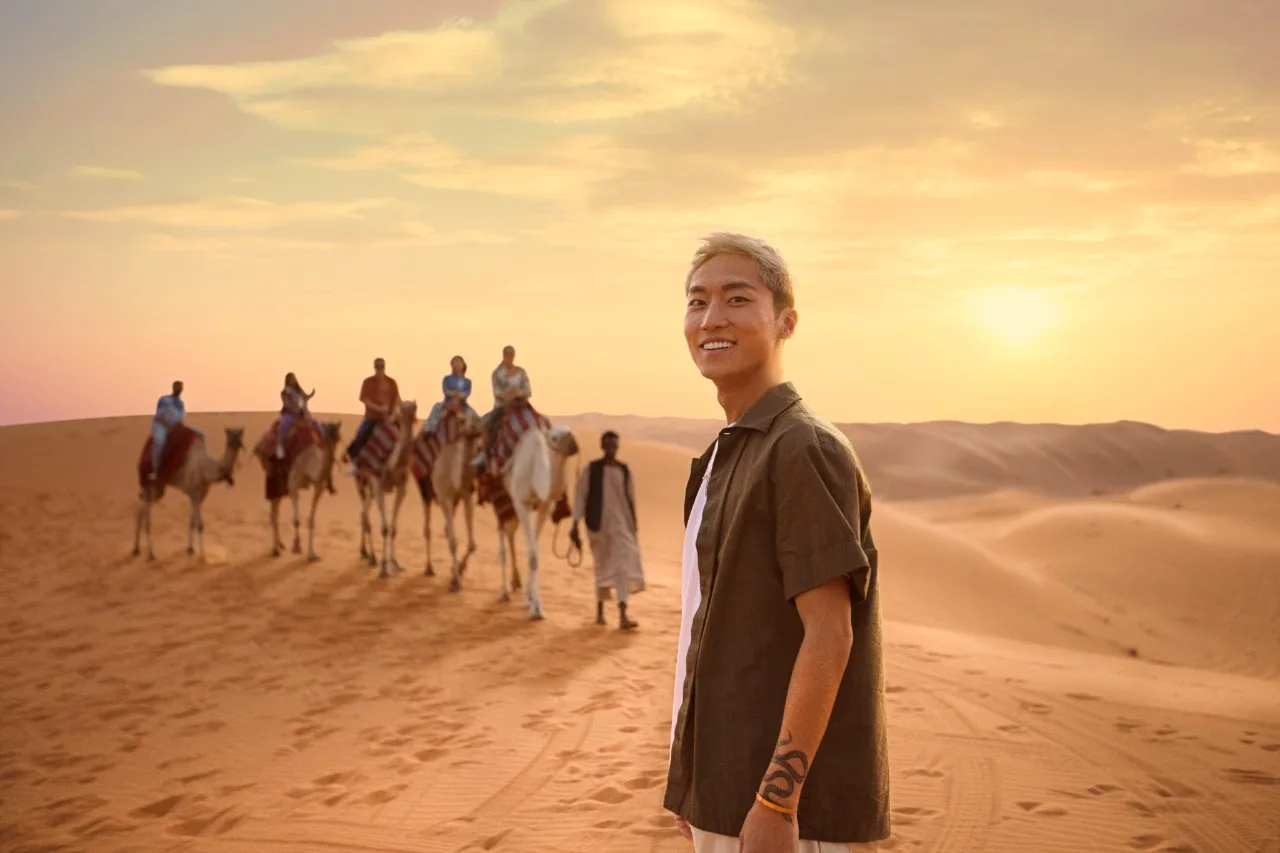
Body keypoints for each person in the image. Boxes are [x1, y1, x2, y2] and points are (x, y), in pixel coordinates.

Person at [663, 233, 888, 852]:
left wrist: (775, 802)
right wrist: (694, 780)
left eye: (737, 299)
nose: (711, 319)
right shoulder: (724, 454)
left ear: (785, 320)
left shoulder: (801, 448)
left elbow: (829, 633)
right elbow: (706, 634)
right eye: (697, 301)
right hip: (724, 793)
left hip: (784, 815)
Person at [569, 430, 644, 630]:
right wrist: (575, 524)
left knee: (621, 567)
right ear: (602, 446)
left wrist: (633, 526)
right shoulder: (591, 470)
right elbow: (580, 496)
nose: (611, 449)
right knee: (601, 567)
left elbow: (631, 500)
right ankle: (600, 612)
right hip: (598, 527)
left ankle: (622, 614)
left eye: (614, 445)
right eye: (608, 445)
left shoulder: (624, 471)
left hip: (621, 527)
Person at [478, 345, 532, 471]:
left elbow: (528, 391)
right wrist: (510, 394)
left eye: (511, 353)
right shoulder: (497, 374)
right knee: (487, 424)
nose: (509, 356)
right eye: (507, 354)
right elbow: (498, 393)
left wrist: (518, 393)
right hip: (502, 406)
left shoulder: (521, 372)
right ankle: (486, 455)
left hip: (521, 405)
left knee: (540, 422)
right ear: (503, 355)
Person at [344, 357, 401, 475]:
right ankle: (354, 463)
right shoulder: (368, 382)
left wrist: (394, 413)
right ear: (375, 367)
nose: (380, 369)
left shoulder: (391, 382)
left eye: (382, 367)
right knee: (361, 435)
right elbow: (365, 399)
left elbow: (396, 399)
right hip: (373, 417)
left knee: (403, 437)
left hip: (389, 418)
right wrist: (378, 408)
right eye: (378, 367)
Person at [150, 380, 203, 480]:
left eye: (181, 387)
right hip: (161, 425)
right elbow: (160, 415)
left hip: (176, 426)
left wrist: (181, 427)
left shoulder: (180, 403)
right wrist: (168, 425)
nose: (179, 389)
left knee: (200, 434)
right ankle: (155, 470)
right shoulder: (164, 399)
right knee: (159, 442)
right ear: (173, 387)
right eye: (177, 387)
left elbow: (181, 418)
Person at [423, 355, 479, 435]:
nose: (456, 365)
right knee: (436, 408)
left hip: (462, 404)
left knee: (473, 414)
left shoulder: (467, 381)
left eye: (458, 362)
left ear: (463, 365)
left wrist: (460, 396)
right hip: (448, 402)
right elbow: (445, 390)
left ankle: (473, 431)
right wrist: (453, 394)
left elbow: (467, 392)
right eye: (454, 363)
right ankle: (430, 428)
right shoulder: (447, 379)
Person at [275, 372, 317, 459]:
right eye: (291, 379)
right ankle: (280, 446)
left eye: (294, 378)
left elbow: (305, 398)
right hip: (289, 414)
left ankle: (321, 443)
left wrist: (311, 395)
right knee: (284, 425)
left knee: (314, 423)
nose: (293, 380)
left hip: (301, 414)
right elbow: (286, 403)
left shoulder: (299, 391)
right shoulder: (285, 392)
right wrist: (294, 408)